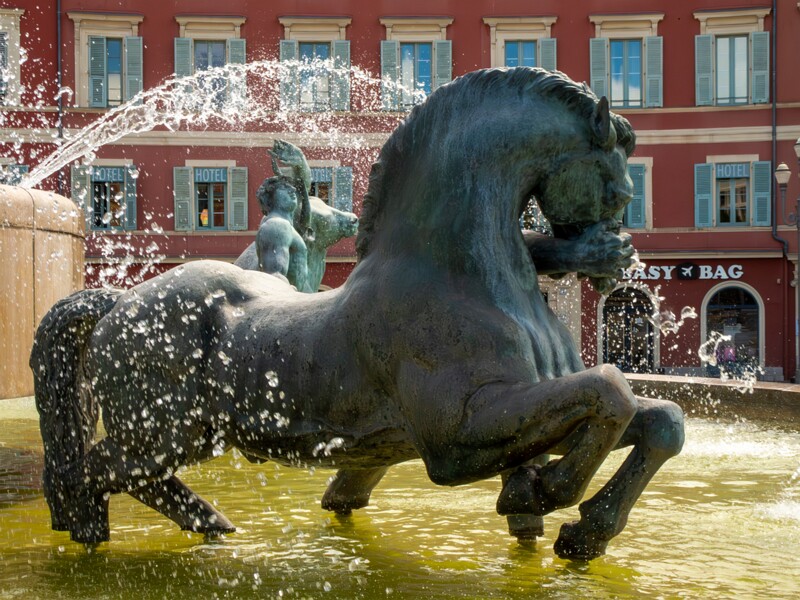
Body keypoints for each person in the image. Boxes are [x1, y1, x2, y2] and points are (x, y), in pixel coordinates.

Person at [254, 175, 309, 291]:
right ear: (270, 197)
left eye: (291, 186)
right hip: (285, 297)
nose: (293, 189)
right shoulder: (277, 225)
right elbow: (274, 277)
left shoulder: (283, 226)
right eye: (284, 187)